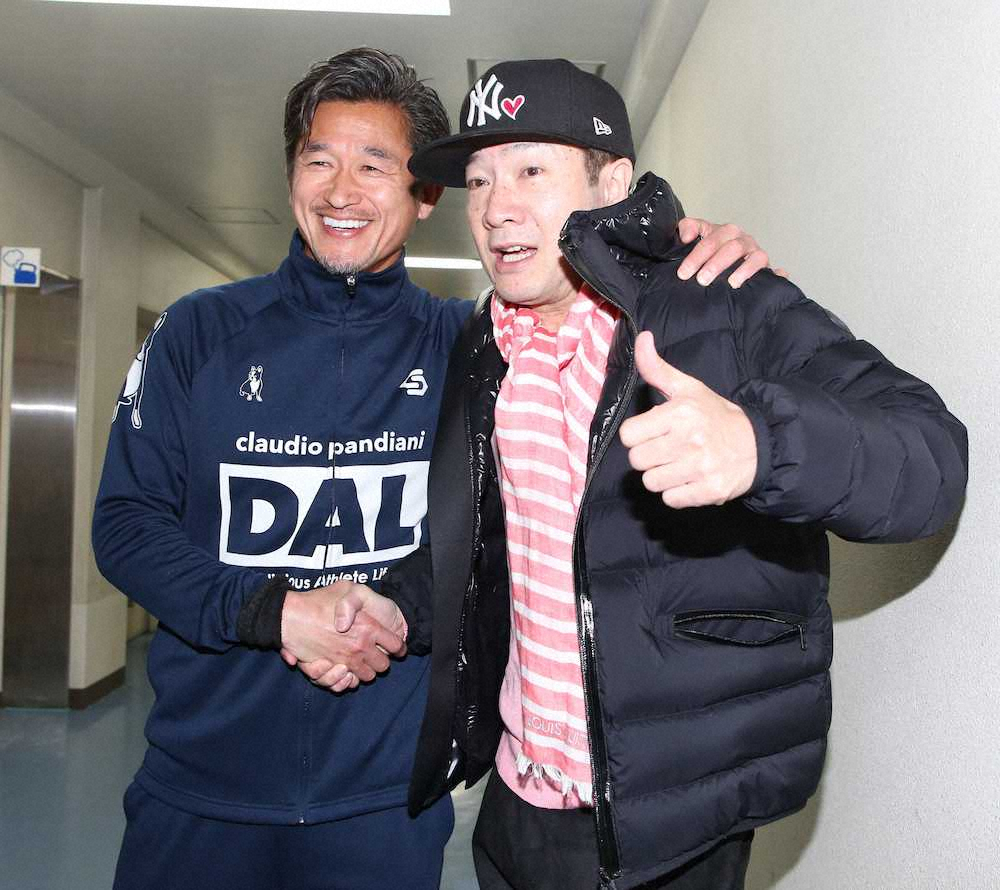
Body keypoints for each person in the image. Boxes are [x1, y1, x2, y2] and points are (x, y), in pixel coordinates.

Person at [92, 48, 770, 890]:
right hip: (200, 794)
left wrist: (684, 257)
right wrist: (275, 613)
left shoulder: (475, 348)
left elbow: (501, 532)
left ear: (424, 197)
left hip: (386, 806)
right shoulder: (197, 334)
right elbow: (125, 527)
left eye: (375, 166)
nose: (341, 192)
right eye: (319, 161)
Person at [320, 59, 969, 890]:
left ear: (613, 183)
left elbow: (932, 456)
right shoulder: (485, 345)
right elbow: (500, 542)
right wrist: (399, 602)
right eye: (479, 180)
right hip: (515, 805)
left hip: (667, 822)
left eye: (530, 171)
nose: (495, 207)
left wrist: (760, 445)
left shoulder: (723, 300)